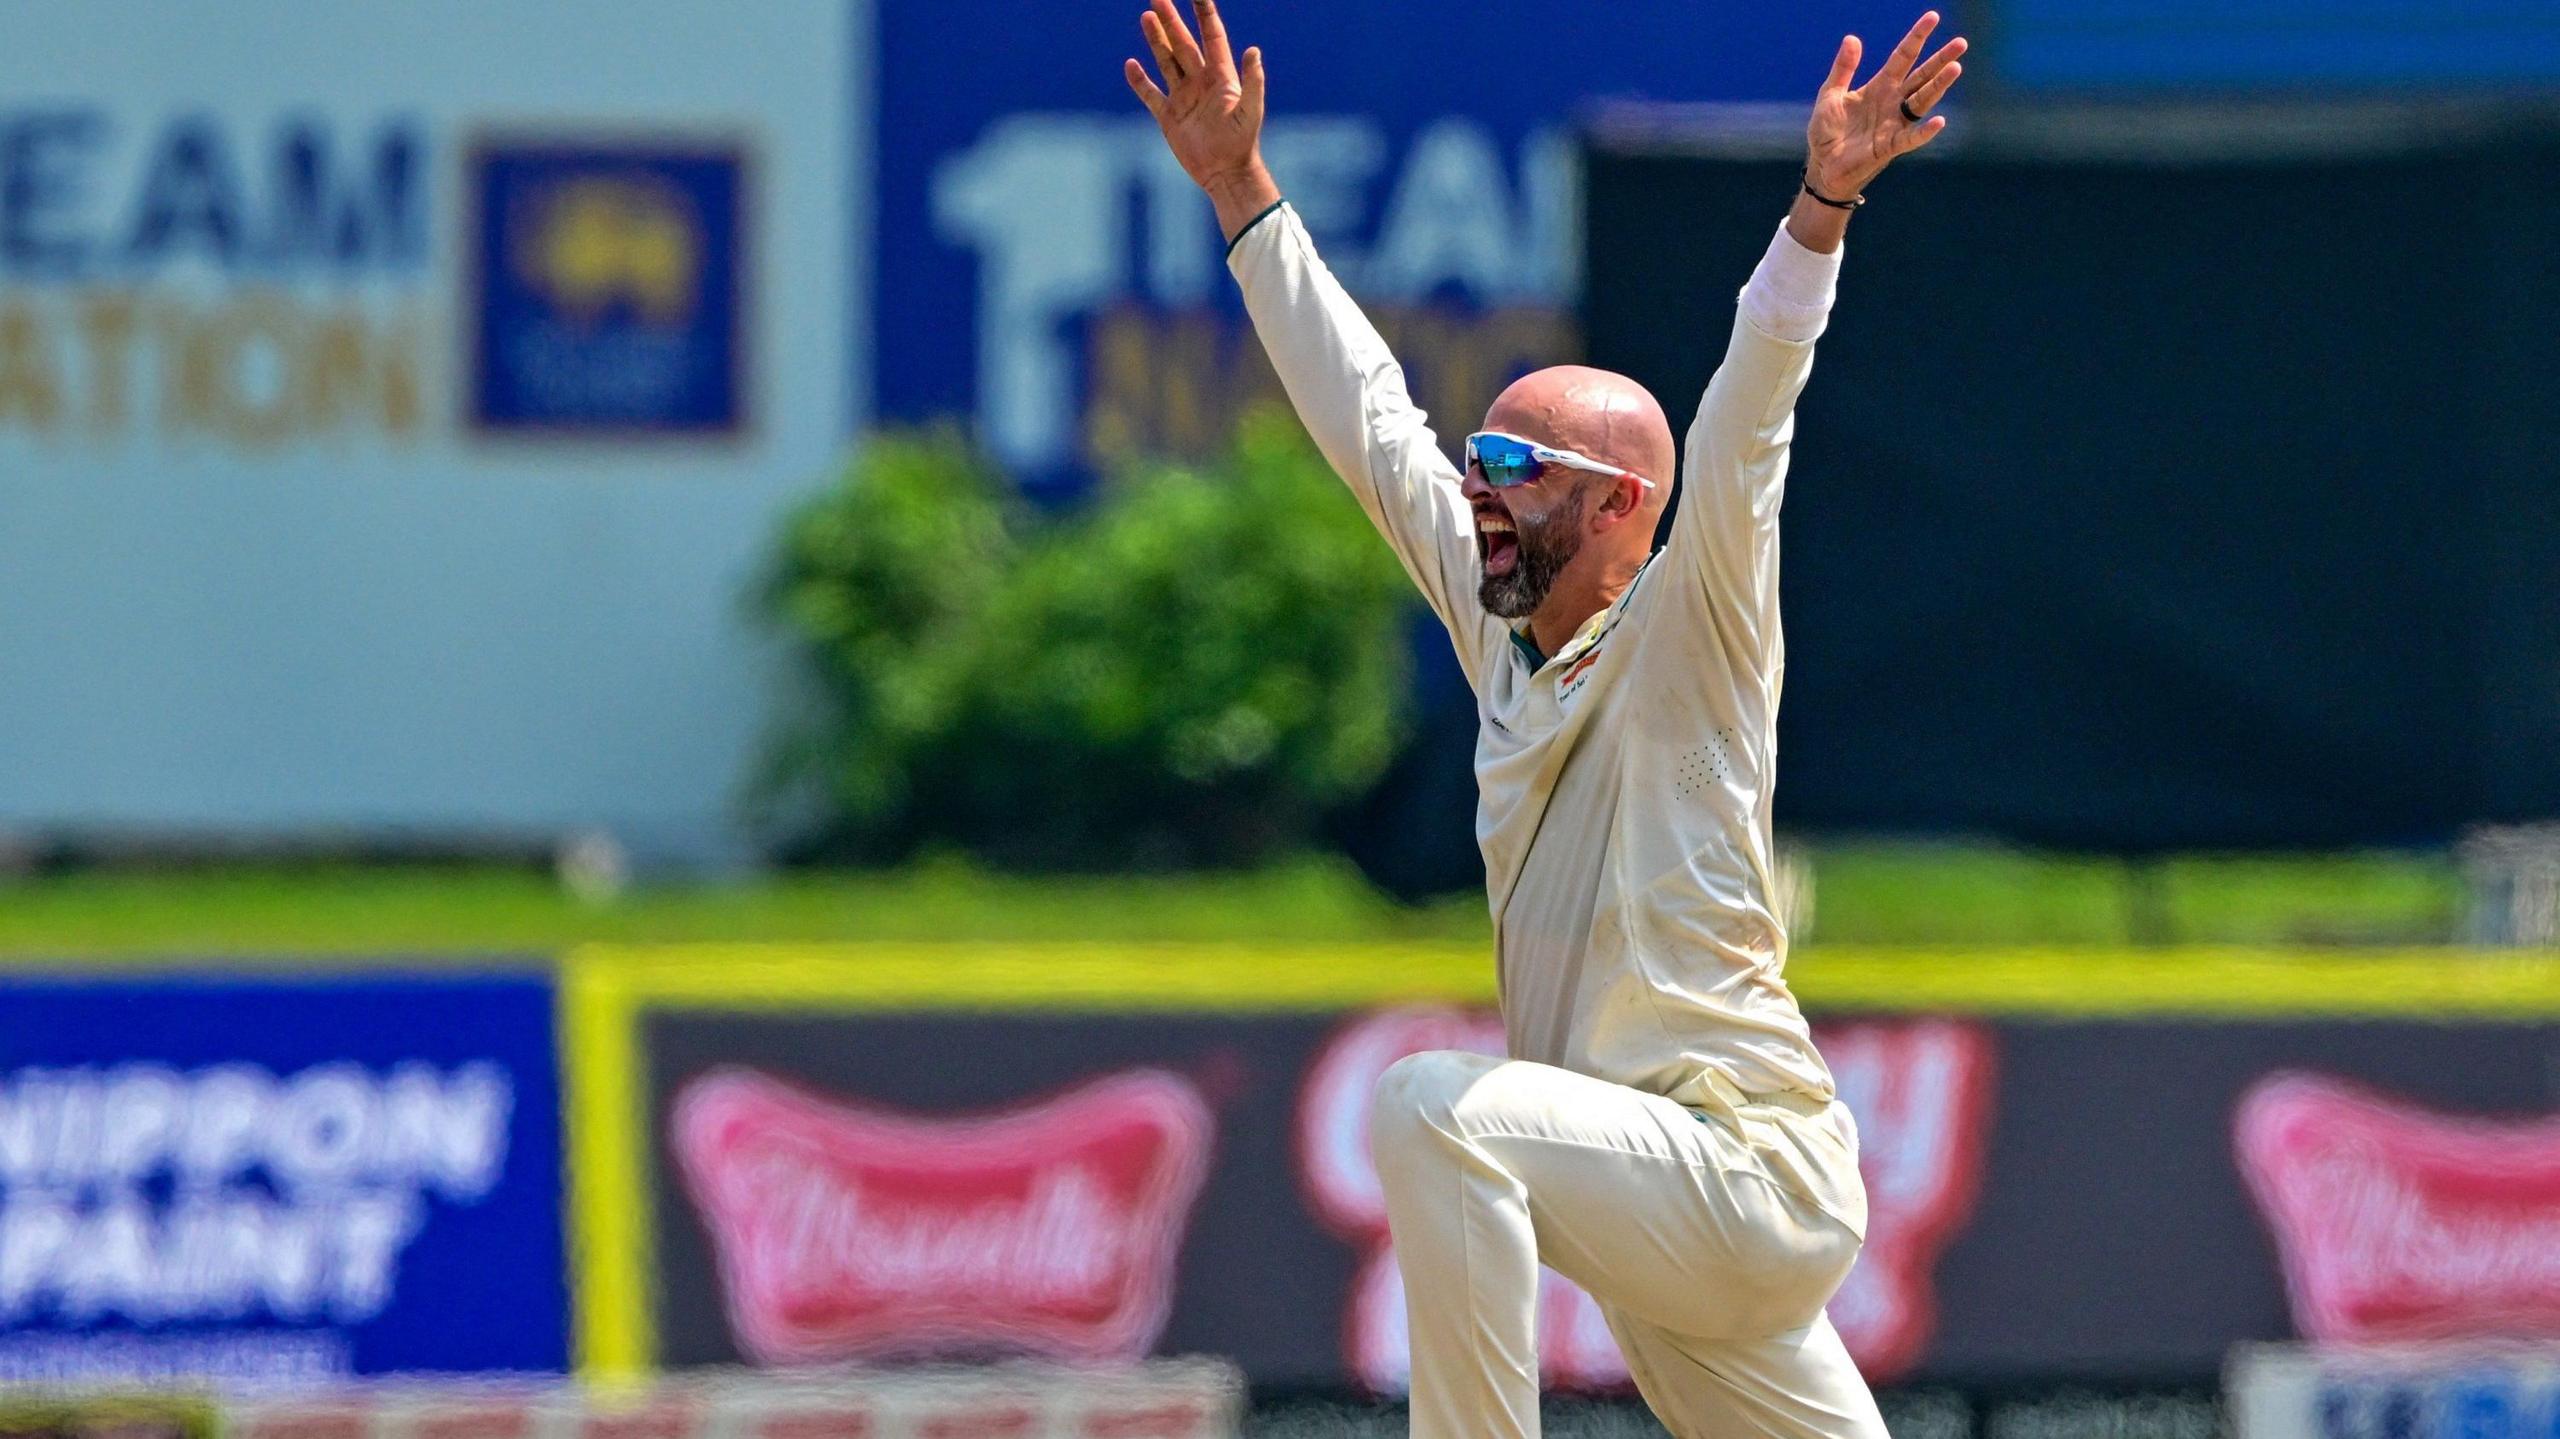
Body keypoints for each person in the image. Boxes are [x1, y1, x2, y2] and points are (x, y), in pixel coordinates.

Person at [1127, 4, 1965, 1435]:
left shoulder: (1692, 628)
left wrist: (1820, 209)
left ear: (1621, 504)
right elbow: (1370, 421)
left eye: (1516, 462)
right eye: (1483, 455)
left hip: (1748, 1180)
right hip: (1655, 1226)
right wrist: (1242, 196)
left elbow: (1749, 421)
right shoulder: (1504, 632)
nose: (1477, 486)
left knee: (1434, 1105)